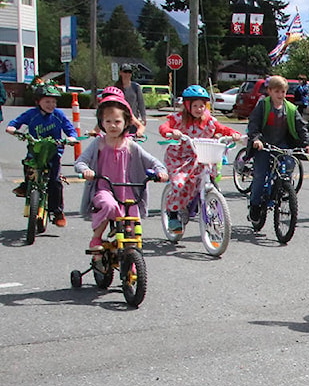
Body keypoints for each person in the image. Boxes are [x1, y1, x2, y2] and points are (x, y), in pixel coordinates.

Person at [75, 95, 168, 250]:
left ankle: (132, 253)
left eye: (117, 121)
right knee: (108, 205)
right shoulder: (99, 143)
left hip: (127, 192)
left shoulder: (131, 146)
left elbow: (153, 162)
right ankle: (96, 238)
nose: (113, 125)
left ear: (126, 123)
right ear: (101, 123)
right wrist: (86, 170)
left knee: (133, 217)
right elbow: (80, 161)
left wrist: (160, 172)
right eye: (108, 121)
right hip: (104, 189)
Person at [159, 85, 243, 231]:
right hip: (180, 158)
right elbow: (164, 127)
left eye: (202, 106)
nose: (199, 109)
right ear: (187, 105)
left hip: (202, 156)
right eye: (195, 106)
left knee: (210, 181)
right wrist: (172, 132)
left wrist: (234, 134)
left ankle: (207, 205)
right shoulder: (178, 119)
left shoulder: (208, 120)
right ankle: (172, 214)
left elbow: (222, 129)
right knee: (179, 183)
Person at [6, 83, 79, 227]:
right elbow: (15, 123)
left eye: (53, 102)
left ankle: (57, 212)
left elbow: (70, 130)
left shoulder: (58, 115)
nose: (51, 104)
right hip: (36, 150)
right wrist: (12, 128)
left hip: (53, 152)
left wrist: (71, 138)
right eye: (47, 101)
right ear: (38, 101)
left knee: (55, 181)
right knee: (28, 165)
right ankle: (25, 185)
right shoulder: (31, 114)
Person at [245, 75, 309, 222]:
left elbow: (300, 126)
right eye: (277, 91)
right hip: (264, 144)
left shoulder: (290, 108)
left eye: (283, 92)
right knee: (260, 174)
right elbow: (253, 124)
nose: (280, 95)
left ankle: (282, 188)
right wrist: (256, 139)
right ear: (269, 91)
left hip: (282, 144)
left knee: (289, 164)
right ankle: (255, 205)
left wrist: (308, 143)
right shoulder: (263, 106)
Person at [116, 63, 147, 130]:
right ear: (120, 73)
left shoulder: (136, 87)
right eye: (125, 72)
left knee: (132, 139)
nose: (127, 74)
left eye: (129, 72)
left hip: (133, 120)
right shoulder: (116, 88)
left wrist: (143, 117)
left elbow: (141, 103)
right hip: (119, 120)